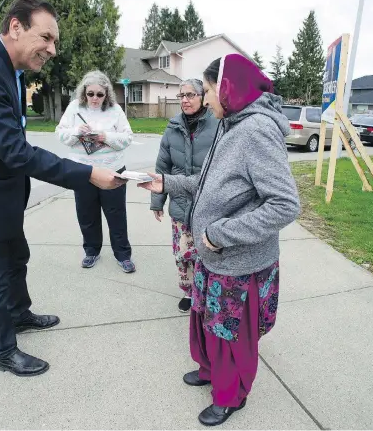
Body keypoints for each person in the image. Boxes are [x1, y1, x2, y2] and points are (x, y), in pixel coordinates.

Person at [0, 0, 126, 378]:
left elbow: (12, 142)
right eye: (46, 37)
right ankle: (3, 353)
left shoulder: (5, 68)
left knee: (16, 261)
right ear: (15, 27)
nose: (52, 49)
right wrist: (88, 174)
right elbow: (14, 150)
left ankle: (19, 315)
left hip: (2, 197)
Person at [139, 54, 300, 426]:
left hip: (237, 262)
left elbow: (285, 204)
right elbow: (208, 183)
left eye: (209, 90)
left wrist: (219, 233)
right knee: (204, 319)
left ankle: (231, 396)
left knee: (230, 334)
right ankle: (210, 369)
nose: (206, 99)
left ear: (228, 88)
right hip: (212, 256)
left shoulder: (256, 130)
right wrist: (166, 183)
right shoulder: (230, 124)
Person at [56, 71, 136, 273]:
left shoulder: (115, 110)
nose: (94, 98)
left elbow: (127, 137)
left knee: (116, 214)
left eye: (99, 95)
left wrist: (105, 136)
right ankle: (91, 251)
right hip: (82, 170)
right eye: (90, 93)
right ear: (83, 92)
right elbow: (60, 133)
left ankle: (123, 255)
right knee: (86, 213)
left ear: (106, 94)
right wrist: (76, 131)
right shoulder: (75, 108)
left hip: (112, 170)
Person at [150, 79, 218, 312]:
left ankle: (207, 292)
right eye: (182, 96)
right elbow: (162, 167)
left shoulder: (217, 124)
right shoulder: (173, 126)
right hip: (179, 202)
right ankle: (189, 292)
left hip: (206, 203)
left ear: (202, 97)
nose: (185, 100)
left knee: (206, 252)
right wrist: (157, 201)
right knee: (183, 253)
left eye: (190, 95)